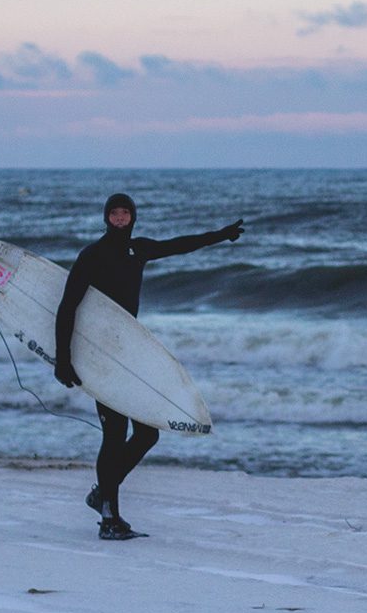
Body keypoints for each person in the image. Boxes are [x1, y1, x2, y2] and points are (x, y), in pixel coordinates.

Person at [55, 192, 242, 540]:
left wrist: (220, 235)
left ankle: (103, 495)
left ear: (133, 217)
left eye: (125, 212)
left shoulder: (137, 250)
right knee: (114, 435)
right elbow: (67, 307)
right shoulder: (92, 256)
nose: (120, 218)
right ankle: (109, 518)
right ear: (106, 217)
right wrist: (63, 358)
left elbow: (179, 245)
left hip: (130, 352)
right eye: (114, 213)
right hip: (102, 357)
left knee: (146, 433)